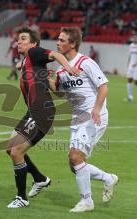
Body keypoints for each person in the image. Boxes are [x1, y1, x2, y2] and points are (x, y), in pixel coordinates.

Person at [6, 27, 78, 208]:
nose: (19, 42)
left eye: (23, 39)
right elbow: (58, 93)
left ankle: (21, 197)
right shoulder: (31, 63)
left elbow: (55, 54)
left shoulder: (34, 52)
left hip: (41, 112)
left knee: (16, 152)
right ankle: (40, 179)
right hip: (33, 111)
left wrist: (68, 68)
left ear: (33, 44)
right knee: (10, 148)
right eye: (18, 39)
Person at [48, 27, 118, 213]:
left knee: (75, 157)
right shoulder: (62, 69)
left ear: (72, 44)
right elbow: (62, 93)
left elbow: (103, 87)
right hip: (78, 118)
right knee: (75, 164)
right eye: (58, 39)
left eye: (62, 40)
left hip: (94, 116)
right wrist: (50, 81)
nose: (58, 42)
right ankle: (108, 178)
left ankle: (87, 201)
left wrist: (95, 109)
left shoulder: (86, 62)